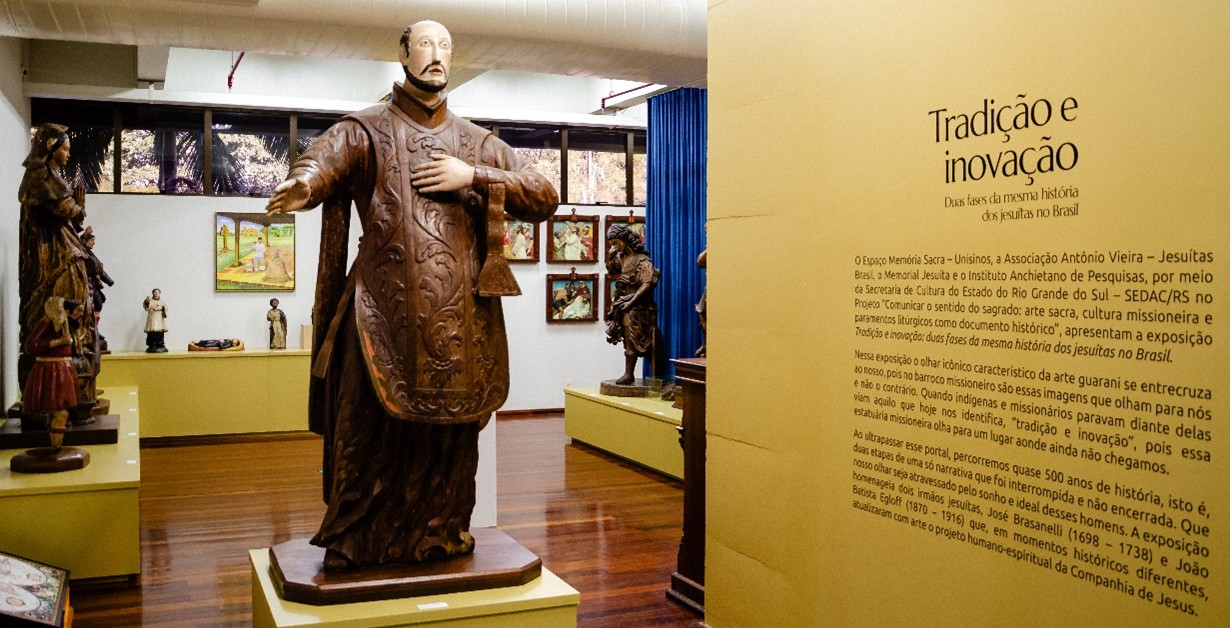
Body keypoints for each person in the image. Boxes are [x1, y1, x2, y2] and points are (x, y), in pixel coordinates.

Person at [266, 20, 558, 569]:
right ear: (403, 54)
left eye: (445, 46)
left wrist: (473, 175)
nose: (436, 54)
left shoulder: (477, 143)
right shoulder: (367, 128)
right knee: (364, 427)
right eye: (425, 43)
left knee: (448, 444)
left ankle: (438, 533)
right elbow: (323, 160)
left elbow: (543, 194)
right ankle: (354, 538)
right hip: (378, 310)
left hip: (461, 320)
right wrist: (305, 183)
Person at [17, 124, 98, 417]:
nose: (67, 154)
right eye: (64, 149)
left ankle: (78, 348)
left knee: (81, 283)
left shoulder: (54, 178)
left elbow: (69, 216)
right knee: (67, 286)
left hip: (63, 250)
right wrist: (78, 205)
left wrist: (77, 207)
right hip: (49, 256)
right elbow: (66, 210)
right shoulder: (39, 179)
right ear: (50, 148)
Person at [22, 298, 85, 451]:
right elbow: (31, 345)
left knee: (58, 411)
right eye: (78, 311)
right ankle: (56, 447)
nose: (80, 314)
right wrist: (59, 342)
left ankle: (55, 445)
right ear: (66, 310)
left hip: (62, 368)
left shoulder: (67, 324)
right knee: (60, 412)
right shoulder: (47, 322)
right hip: (51, 369)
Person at [605, 223, 661, 385]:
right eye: (613, 244)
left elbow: (647, 284)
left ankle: (652, 375)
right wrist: (610, 255)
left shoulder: (643, 260)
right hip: (625, 304)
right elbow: (612, 271)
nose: (616, 246)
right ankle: (629, 374)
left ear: (625, 239)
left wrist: (631, 301)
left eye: (617, 243)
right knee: (627, 338)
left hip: (641, 307)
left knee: (641, 340)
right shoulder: (623, 258)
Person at [143, 289, 168, 353]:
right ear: (153, 293)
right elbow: (146, 307)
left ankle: (160, 344)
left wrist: (162, 308)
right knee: (152, 333)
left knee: (160, 333)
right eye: (155, 292)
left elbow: (166, 308)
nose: (156, 294)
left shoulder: (162, 302)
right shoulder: (150, 301)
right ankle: (152, 345)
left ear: (159, 294)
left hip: (160, 321)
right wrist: (146, 302)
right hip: (152, 320)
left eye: (158, 292)